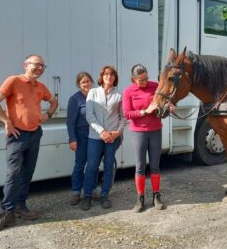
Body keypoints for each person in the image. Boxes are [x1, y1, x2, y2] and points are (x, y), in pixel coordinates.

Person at [0, 55, 58, 233]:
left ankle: (20, 205)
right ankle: (7, 213)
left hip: (35, 134)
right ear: (25, 65)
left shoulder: (40, 86)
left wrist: (47, 115)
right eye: (36, 65)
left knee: (27, 173)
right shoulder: (13, 81)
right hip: (17, 136)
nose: (40, 68)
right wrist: (6, 121)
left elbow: (54, 103)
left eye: (43, 66)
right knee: (13, 174)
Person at [122, 64, 170, 212]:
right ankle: (140, 198)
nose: (144, 82)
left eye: (146, 78)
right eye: (141, 80)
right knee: (140, 166)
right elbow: (127, 114)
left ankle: (156, 196)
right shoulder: (128, 91)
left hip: (155, 130)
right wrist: (144, 111)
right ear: (133, 79)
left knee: (155, 165)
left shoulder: (155, 86)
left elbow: (164, 101)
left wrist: (168, 106)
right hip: (139, 132)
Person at [80, 66, 126, 210]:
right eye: (106, 74)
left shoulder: (119, 95)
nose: (109, 77)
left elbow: (123, 116)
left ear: (115, 78)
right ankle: (87, 196)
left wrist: (118, 132)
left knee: (109, 166)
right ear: (102, 76)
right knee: (92, 166)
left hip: (113, 137)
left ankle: (105, 195)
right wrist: (101, 132)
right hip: (95, 136)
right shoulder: (93, 93)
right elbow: (89, 115)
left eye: (112, 75)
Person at [66, 72, 97, 205]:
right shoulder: (75, 99)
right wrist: (72, 139)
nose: (86, 84)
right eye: (83, 82)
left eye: (88, 81)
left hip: (95, 136)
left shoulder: (96, 96)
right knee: (80, 164)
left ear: (92, 82)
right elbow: (70, 121)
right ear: (79, 84)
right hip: (81, 137)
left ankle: (91, 189)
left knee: (93, 164)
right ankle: (76, 192)